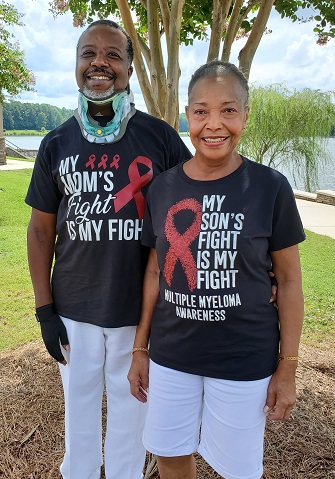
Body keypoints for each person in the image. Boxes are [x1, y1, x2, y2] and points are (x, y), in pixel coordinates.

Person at [25, 19, 192, 479]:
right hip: (72, 309)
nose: (100, 63)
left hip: (137, 311)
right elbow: (40, 232)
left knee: (131, 415)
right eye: (88, 53)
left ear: (130, 69)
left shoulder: (160, 138)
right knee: (77, 414)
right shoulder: (56, 142)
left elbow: (197, 208)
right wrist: (43, 311)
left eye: (113, 54)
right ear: (77, 64)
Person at [128, 60, 305, 479]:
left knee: (237, 470)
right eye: (201, 111)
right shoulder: (163, 188)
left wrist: (287, 367)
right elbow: (155, 272)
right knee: (170, 455)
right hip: (173, 356)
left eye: (228, 110)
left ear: (245, 115)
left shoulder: (270, 187)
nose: (214, 123)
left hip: (244, 360)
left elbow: (291, 280)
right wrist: (140, 349)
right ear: (187, 116)